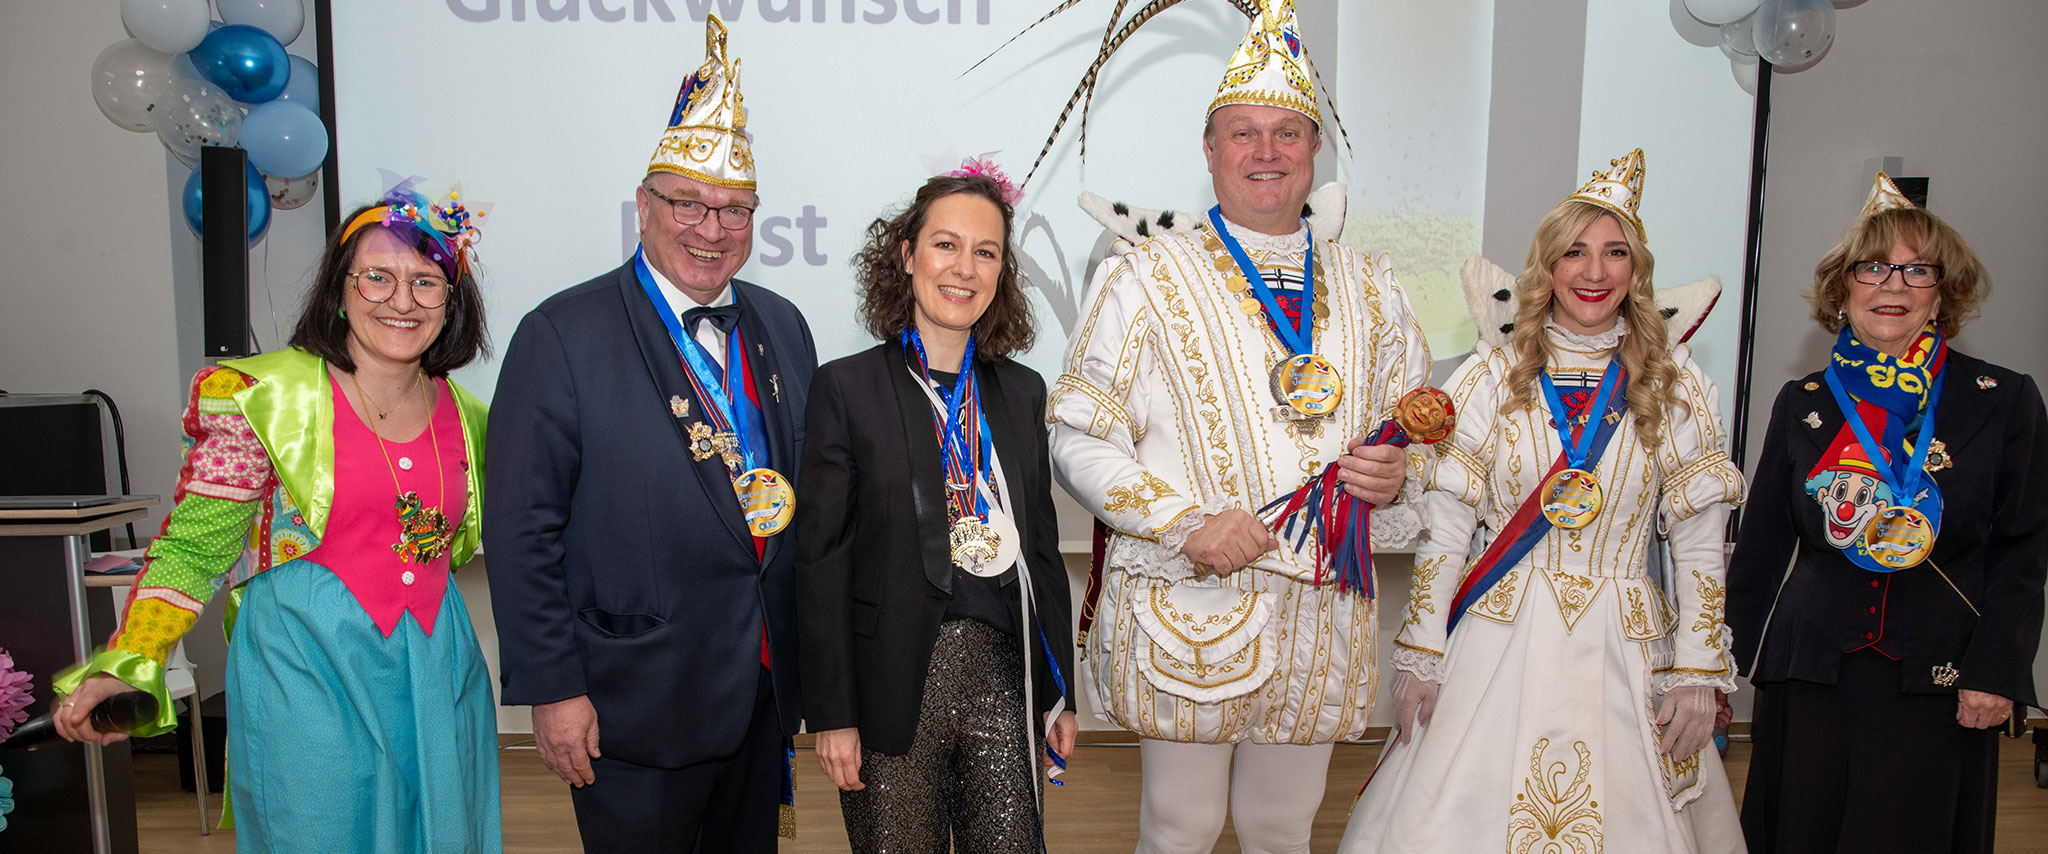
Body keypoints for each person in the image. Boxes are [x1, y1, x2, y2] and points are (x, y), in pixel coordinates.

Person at [1047, 3, 1430, 850]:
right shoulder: (1144, 277)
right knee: (1179, 830)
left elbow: (1424, 440)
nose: (1266, 153)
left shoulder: (1375, 289)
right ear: (1210, 151)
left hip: (1323, 617)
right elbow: (1075, 432)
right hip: (1193, 605)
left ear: (1314, 151)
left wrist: (1403, 479)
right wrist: (1185, 522)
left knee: (1283, 830)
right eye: (1244, 134)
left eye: (1287, 133)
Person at [53, 181, 498, 852]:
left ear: (452, 300)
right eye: (377, 278)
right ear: (339, 289)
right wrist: (132, 657)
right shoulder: (258, 398)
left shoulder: (469, 417)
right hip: (305, 673)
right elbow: (193, 552)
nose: (401, 301)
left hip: (437, 678)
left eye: (426, 283)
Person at [1337, 150, 1747, 853]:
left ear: (1636, 269)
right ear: (1547, 266)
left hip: (1626, 640)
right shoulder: (1489, 377)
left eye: (1615, 253)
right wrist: (1422, 652)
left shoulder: (1678, 388)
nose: (1594, 272)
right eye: (1575, 253)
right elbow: (1446, 528)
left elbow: (1699, 545)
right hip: (1498, 637)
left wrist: (1698, 671)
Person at [484, 15, 816, 851]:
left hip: (759, 691)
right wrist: (553, 689)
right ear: (643, 206)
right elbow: (522, 529)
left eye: (734, 210)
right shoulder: (562, 333)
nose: (712, 228)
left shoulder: (783, 325)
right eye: (688, 204)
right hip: (630, 699)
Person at [1728, 173, 2047, 853]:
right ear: (1843, 288)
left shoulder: (2003, 398)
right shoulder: (1803, 399)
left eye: (1916, 270)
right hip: (1810, 672)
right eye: (1873, 267)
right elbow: (1759, 551)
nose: (1893, 286)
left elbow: (2022, 549)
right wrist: (1717, 670)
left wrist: (1996, 673)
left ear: (1943, 292)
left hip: (1941, 678)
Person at [796, 168, 1077, 852]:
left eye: (985, 252)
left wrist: (1057, 691)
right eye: (946, 245)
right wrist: (832, 714)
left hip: (1004, 679)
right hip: (892, 683)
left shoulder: (1021, 391)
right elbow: (821, 562)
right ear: (907, 255)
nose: (965, 268)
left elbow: (1040, 547)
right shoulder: (846, 388)